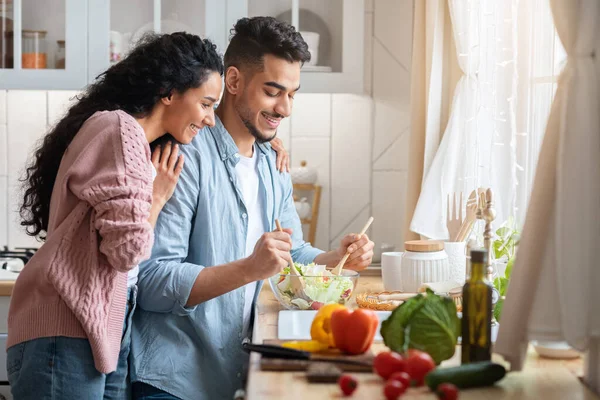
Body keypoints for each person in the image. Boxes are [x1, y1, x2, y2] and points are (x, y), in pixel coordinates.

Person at [130, 17, 375, 400]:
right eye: (273, 92)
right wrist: (249, 269)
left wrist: (334, 257)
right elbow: (152, 281)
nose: (285, 108)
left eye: (292, 94)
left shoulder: (272, 162)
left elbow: (290, 255)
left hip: (239, 374)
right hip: (175, 381)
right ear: (233, 81)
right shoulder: (184, 157)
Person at [5, 32, 225, 399]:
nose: (210, 119)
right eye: (206, 104)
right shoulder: (120, 129)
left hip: (98, 333)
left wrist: (270, 143)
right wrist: (156, 198)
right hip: (64, 333)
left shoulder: (135, 142)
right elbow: (127, 252)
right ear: (169, 93)